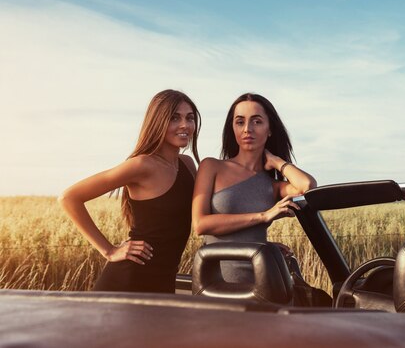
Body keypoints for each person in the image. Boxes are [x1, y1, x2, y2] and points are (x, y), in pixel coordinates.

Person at [58, 89, 201, 293]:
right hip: (128, 280)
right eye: (174, 118)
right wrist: (109, 250)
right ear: (157, 121)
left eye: (190, 118)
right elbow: (69, 197)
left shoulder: (187, 164)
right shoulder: (141, 165)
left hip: (164, 281)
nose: (185, 125)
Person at [192, 92, 316, 283]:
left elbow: (307, 186)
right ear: (232, 128)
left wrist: (276, 161)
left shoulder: (272, 186)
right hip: (215, 283)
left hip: (262, 283)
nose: (247, 129)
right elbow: (201, 225)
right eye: (240, 122)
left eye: (257, 121)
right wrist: (264, 215)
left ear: (270, 129)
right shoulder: (211, 166)